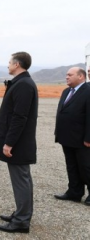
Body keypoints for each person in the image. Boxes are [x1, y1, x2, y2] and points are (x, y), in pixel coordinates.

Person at [0, 52, 38, 234]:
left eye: (9, 62)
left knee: (21, 180)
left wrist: (9, 143)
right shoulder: (21, 82)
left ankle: (21, 221)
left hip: (19, 143)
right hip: (18, 142)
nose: (8, 65)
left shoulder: (24, 85)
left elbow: (19, 117)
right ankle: (20, 213)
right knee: (21, 179)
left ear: (17, 64)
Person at [54, 67, 90, 206]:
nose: (66, 77)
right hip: (67, 137)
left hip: (82, 139)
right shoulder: (66, 91)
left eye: (70, 75)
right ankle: (74, 192)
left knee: (86, 166)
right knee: (72, 166)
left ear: (81, 76)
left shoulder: (88, 91)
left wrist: (89, 137)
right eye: (66, 75)